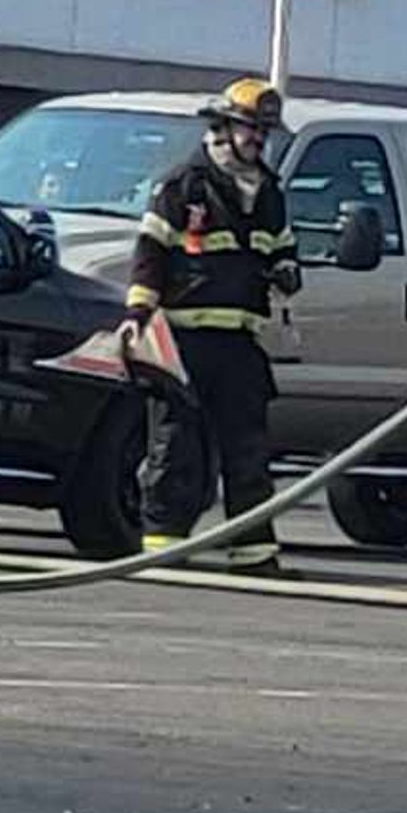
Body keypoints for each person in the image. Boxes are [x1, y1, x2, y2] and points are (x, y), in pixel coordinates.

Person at [124, 77, 299, 571]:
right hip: (184, 342)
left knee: (248, 451)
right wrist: (138, 315)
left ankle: (253, 551)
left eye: (264, 132)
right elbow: (150, 256)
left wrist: (288, 268)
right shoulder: (183, 187)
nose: (258, 140)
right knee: (177, 448)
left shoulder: (267, 191)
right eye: (250, 129)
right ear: (222, 128)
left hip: (239, 344)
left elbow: (281, 245)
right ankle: (162, 548)